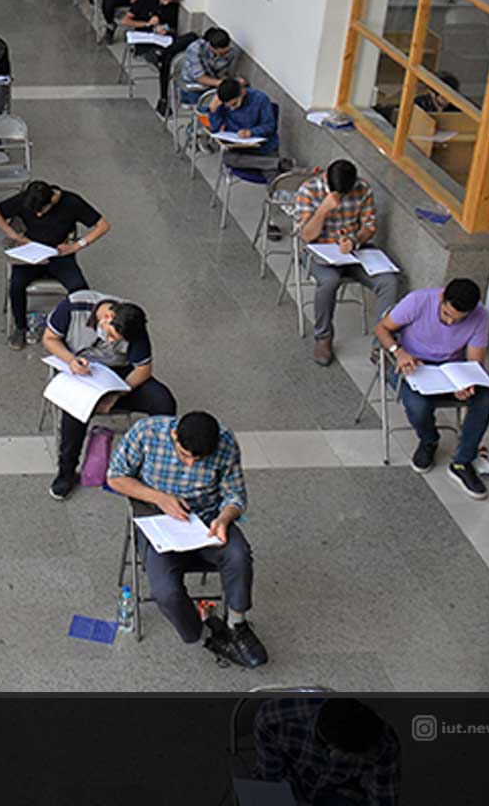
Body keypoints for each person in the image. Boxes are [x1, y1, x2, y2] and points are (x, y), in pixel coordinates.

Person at [105, 411, 268, 668]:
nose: (191, 464)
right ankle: (205, 636)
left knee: (239, 556)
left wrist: (224, 518)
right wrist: (160, 498)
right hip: (158, 522)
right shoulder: (146, 432)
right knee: (165, 591)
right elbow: (115, 477)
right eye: (184, 455)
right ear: (174, 435)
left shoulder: (225, 443)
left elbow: (235, 495)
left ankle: (237, 625)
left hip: (207, 520)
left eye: (198, 459)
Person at [41, 292, 175, 500]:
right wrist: (71, 360)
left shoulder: (133, 325)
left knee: (163, 401)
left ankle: (154, 466)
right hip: (78, 371)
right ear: (108, 316)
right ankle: (66, 471)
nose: (110, 341)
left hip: (117, 377)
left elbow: (143, 369)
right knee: (74, 411)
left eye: (116, 340)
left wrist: (116, 396)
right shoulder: (74, 306)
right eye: (110, 335)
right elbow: (49, 339)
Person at [373, 278, 489, 497]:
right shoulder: (419, 301)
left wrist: (466, 383)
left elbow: (474, 363)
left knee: (485, 399)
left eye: (458, 319)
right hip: (412, 363)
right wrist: (398, 352)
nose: (450, 322)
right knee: (418, 404)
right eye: (446, 314)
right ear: (441, 298)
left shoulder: (480, 317)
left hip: (450, 369)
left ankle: (462, 461)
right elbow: (382, 328)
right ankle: (429, 440)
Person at [292, 160, 402, 366]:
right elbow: (305, 236)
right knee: (329, 281)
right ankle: (323, 337)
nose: (341, 198)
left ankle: (382, 345)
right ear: (326, 178)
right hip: (319, 250)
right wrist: (323, 210)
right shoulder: (309, 190)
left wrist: (354, 240)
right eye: (338, 194)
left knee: (389, 281)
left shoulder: (363, 188)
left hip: (354, 252)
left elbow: (369, 226)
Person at [0, 180, 111, 350]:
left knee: (79, 288)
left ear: (51, 201)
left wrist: (77, 246)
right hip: (31, 254)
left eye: (41, 211)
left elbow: (103, 225)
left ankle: (82, 330)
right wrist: (16, 236)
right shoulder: (27, 198)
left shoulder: (71, 202)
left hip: (59, 255)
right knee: (16, 284)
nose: (38, 215)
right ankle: (20, 327)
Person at [252, 697, 400, 806]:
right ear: (334, 752)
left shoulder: (384, 743)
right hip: (293, 783)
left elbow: (383, 799)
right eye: (364, 757)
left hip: (341, 793)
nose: (371, 757)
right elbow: (270, 779)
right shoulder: (273, 718)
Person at [206, 75, 280, 154]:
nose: (232, 109)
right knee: (228, 157)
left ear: (242, 92)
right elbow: (214, 129)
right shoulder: (223, 100)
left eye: (234, 104)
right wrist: (213, 111)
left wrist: (251, 132)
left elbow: (270, 125)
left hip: (258, 145)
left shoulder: (260, 99)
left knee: (233, 158)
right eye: (228, 106)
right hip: (234, 145)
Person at [175, 27, 238, 93]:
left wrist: (233, 83)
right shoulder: (195, 49)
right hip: (192, 84)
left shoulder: (231, 52)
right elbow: (200, 77)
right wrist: (223, 84)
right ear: (211, 47)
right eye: (221, 53)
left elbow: (222, 74)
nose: (225, 55)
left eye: (226, 52)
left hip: (213, 83)